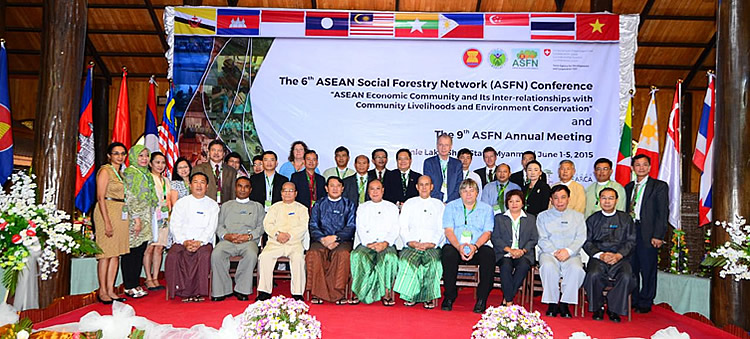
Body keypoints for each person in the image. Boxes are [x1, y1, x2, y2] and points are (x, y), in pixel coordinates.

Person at [441, 178, 495, 313]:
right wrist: (459, 247)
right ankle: (449, 296)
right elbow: (448, 231)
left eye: (472, 190)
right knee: (447, 253)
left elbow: (487, 232)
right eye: (465, 191)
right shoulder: (451, 207)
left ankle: (482, 299)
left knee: (489, 255)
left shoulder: (486, 209)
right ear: (460, 193)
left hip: (477, 247)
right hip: (456, 246)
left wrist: (475, 247)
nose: (468, 194)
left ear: (477, 193)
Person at [583, 188, 636, 322]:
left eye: (611, 198)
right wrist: (600, 255)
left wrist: (619, 255)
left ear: (616, 200)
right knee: (593, 275)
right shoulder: (592, 219)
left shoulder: (626, 219)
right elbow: (587, 242)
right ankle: (598, 307)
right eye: (604, 198)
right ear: (599, 200)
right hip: (599, 257)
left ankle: (614, 309)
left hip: (620, 258)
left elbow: (631, 241)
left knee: (627, 276)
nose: (607, 201)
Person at [166, 172, 220, 302]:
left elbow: (211, 228)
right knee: (173, 256)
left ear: (207, 186)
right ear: (190, 185)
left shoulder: (212, 205)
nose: (199, 185)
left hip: (203, 241)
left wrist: (199, 242)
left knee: (204, 255)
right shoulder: (181, 203)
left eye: (202, 182)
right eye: (195, 182)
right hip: (182, 240)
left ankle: (199, 292)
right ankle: (180, 290)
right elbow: (175, 225)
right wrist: (184, 241)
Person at [393, 175, 445, 309]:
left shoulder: (439, 205)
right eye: (421, 185)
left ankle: (428, 297)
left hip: (432, 245)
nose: (424, 187)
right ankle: (411, 296)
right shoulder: (409, 203)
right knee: (407, 261)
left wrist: (432, 243)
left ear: (432, 187)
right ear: (416, 187)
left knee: (433, 262)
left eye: (427, 184)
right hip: (412, 244)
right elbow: (402, 226)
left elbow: (442, 228)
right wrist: (411, 242)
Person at [625, 154, 668, 314]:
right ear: (632, 168)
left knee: (648, 268)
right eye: (637, 165)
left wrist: (658, 235)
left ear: (649, 167)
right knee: (632, 267)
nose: (641, 168)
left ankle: (646, 300)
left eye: (644, 165)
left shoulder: (659, 186)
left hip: (648, 233)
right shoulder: (628, 187)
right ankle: (634, 299)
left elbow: (662, 213)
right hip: (631, 232)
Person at [211, 177, 265, 301]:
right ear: (235, 188)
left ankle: (241, 289)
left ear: (250, 190)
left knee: (251, 255)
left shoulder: (257, 207)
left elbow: (261, 227)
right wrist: (227, 236)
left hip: (248, 241)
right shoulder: (226, 206)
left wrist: (249, 236)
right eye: (240, 186)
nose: (242, 189)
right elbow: (219, 225)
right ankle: (222, 289)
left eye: (246, 187)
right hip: (228, 241)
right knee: (216, 254)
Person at [536, 185, 586, 318]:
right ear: (551, 200)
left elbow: (581, 237)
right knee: (548, 266)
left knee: (576, 269)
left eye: (563, 197)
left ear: (569, 199)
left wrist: (568, 251)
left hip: (571, 254)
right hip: (549, 253)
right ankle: (552, 302)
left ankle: (565, 302)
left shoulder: (578, 217)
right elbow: (542, 239)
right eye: (556, 198)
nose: (560, 201)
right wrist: (555, 252)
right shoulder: (542, 216)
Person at [306, 177, 357, 304]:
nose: (335, 188)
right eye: (331, 186)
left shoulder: (349, 204)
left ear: (342, 188)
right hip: (320, 240)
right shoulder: (319, 204)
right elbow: (313, 225)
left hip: (342, 241)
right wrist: (323, 239)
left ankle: (337, 294)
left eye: (338, 186)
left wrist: (336, 238)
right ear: (326, 188)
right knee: (314, 254)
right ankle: (317, 293)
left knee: (342, 255)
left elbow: (351, 226)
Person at [257, 182, 310, 301]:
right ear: (281, 193)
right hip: (275, 242)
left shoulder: (302, 209)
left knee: (298, 259)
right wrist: (277, 234)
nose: (287, 193)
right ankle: (265, 291)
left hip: (294, 243)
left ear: (296, 193)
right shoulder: (274, 207)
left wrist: (289, 235)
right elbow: (267, 224)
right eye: (285, 191)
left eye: (290, 191)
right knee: (264, 257)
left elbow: (303, 227)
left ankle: (297, 293)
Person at [350, 180, 400, 305]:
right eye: (372, 189)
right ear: (368, 191)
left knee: (389, 257)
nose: (375, 192)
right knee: (358, 256)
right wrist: (368, 243)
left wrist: (385, 243)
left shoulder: (392, 207)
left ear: (383, 190)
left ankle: (386, 292)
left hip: (386, 244)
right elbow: (360, 227)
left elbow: (395, 229)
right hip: (366, 243)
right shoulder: (362, 207)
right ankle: (359, 291)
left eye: (378, 189)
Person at [94, 142, 129, 304]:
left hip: (120, 212)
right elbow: (100, 197)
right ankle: (102, 291)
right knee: (105, 254)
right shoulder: (105, 170)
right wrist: (107, 222)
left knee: (115, 254)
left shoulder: (121, 174)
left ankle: (111, 289)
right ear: (109, 155)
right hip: (106, 210)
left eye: (122, 154)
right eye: (116, 153)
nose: (120, 157)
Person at [121, 145, 156, 299]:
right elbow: (129, 197)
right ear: (134, 157)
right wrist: (136, 219)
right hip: (134, 218)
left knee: (140, 250)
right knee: (131, 252)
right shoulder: (130, 173)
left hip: (145, 217)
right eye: (140, 156)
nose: (144, 159)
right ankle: (129, 285)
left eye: (146, 156)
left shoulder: (146, 175)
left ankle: (135, 284)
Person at [492, 190, 538, 306]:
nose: (514, 204)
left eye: (517, 201)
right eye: (511, 201)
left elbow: (534, 239)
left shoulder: (531, 218)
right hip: (505, 253)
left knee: (523, 266)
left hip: (524, 253)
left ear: (523, 203)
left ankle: (507, 299)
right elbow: (496, 238)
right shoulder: (499, 218)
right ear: (507, 203)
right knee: (506, 267)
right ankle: (509, 300)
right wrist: (510, 250)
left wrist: (522, 251)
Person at [144, 152, 170, 291]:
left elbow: (169, 197)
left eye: (163, 163)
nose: (160, 165)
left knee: (159, 247)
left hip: (164, 218)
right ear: (150, 163)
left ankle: (155, 277)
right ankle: (148, 278)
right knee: (150, 247)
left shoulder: (166, 180)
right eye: (157, 162)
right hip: (151, 216)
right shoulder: (148, 178)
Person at [423, 133, 462, 203]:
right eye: (441, 145)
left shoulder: (457, 164)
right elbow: (428, 184)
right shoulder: (429, 163)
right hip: (434, 202)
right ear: (437, 146)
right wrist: (439, 202)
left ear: (451, 147)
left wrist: (449, 202)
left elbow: (459, 186)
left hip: (453, 202)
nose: (443, 148)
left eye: (446, 145)